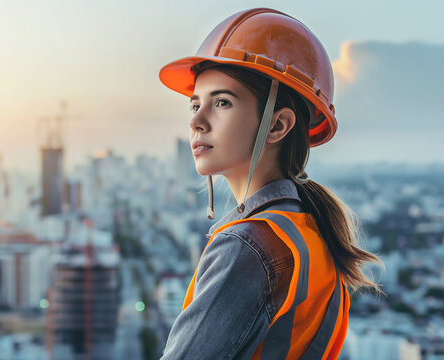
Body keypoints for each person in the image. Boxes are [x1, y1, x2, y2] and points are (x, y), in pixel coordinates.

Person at [158, 8, 382, 360]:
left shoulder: (248, 246)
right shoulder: (311, 232)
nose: (197, 122)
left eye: (222, 102)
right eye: (195, 104)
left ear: (277, 126)